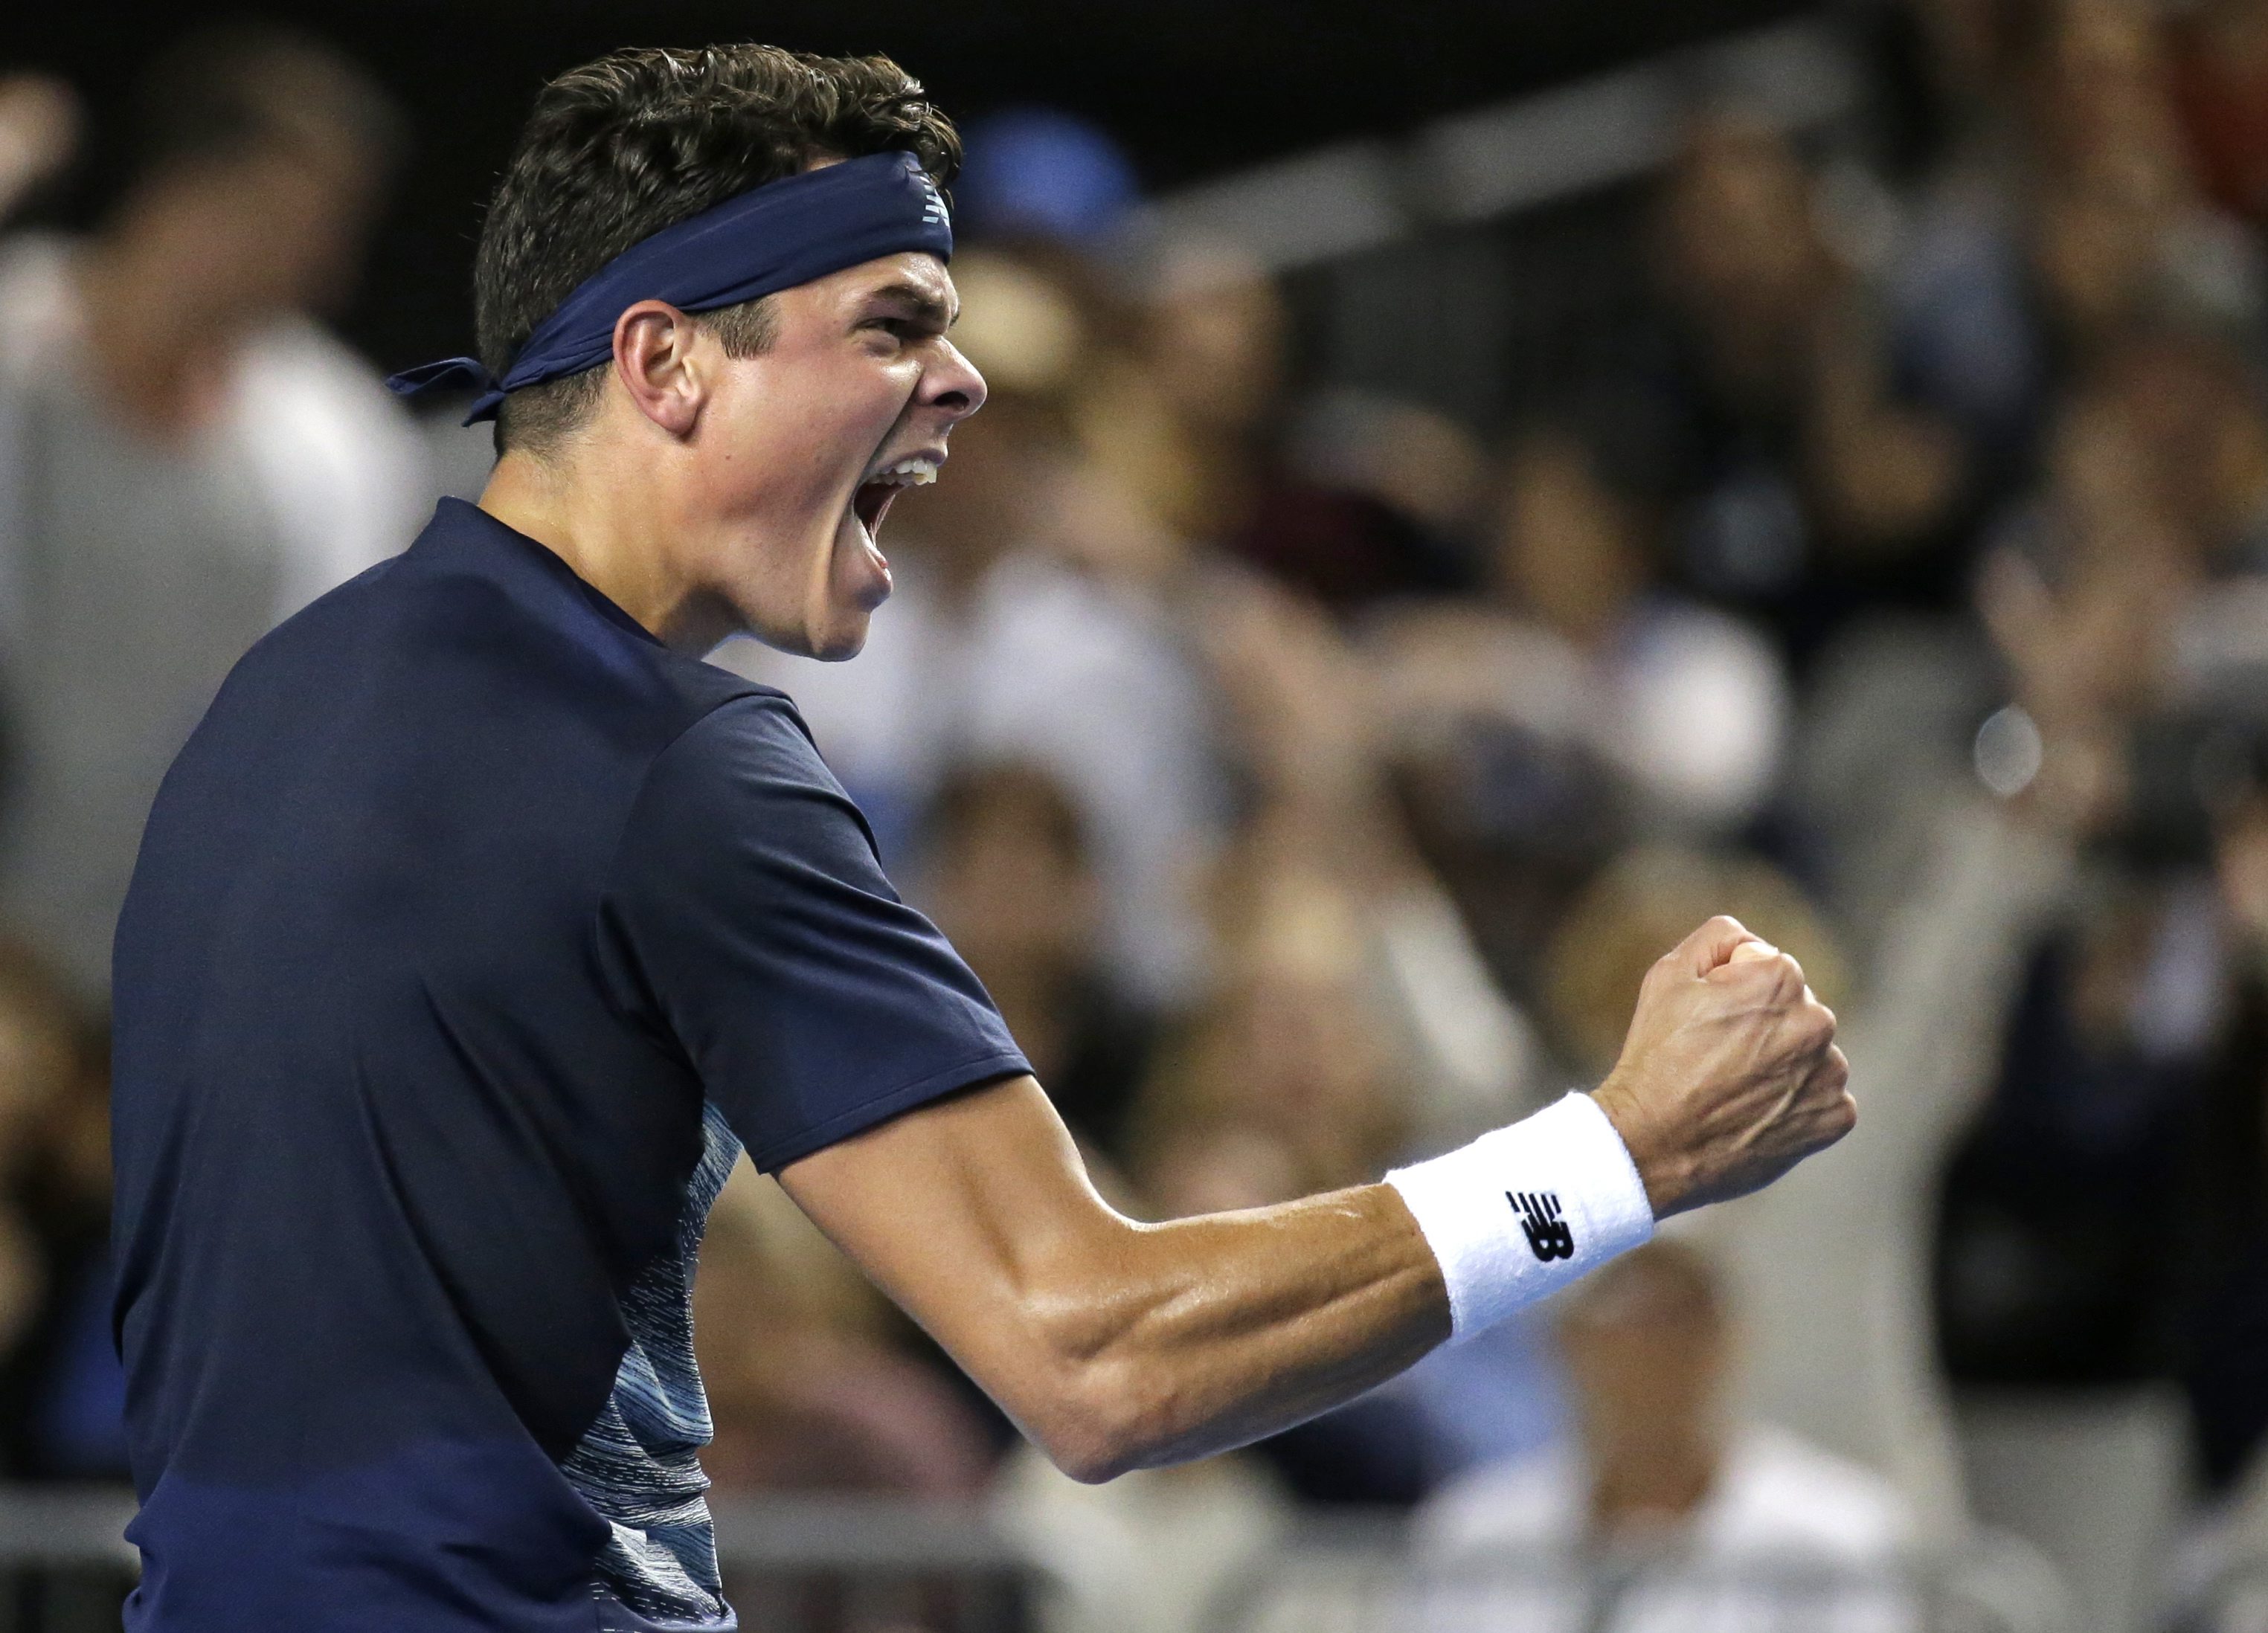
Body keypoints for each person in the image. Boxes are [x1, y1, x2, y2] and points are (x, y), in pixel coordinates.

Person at [108, 44, 1854, 1633]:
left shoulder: (268, 708)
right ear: (663, 363)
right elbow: (1099, 1351)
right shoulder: (669, 764)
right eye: (890, 321)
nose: (957, 384)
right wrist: (1620, 1156)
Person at [0, 28, 427, 999]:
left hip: (184, 965)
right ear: (187, 193)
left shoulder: (337, 444)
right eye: (294, 226)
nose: (325, 273)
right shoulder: (15, 340)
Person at [1415, 1240, 1915, 1633]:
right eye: (1629, 1320)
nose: (1658, 1352)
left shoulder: (1836, 1532)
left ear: (1730, 1341)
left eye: (1684, 1320)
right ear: (1566, 1342)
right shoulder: (1473, 1532)